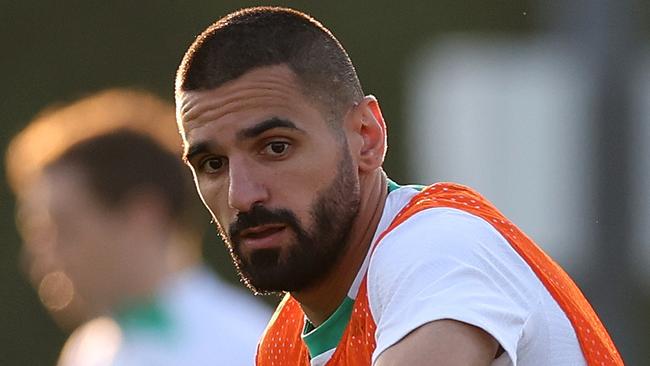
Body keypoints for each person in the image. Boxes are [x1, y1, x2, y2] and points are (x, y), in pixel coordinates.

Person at [173, 6, 623, 366]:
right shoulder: (283, 345)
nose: (241, 195)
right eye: (213, 164)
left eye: (275, 148)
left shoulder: (436, 246)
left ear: (366, 137)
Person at [5, 89, 271, 366]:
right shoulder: (87, 351)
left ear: (143, 217)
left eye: (64, 228)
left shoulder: (246, 347)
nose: (37, 258)